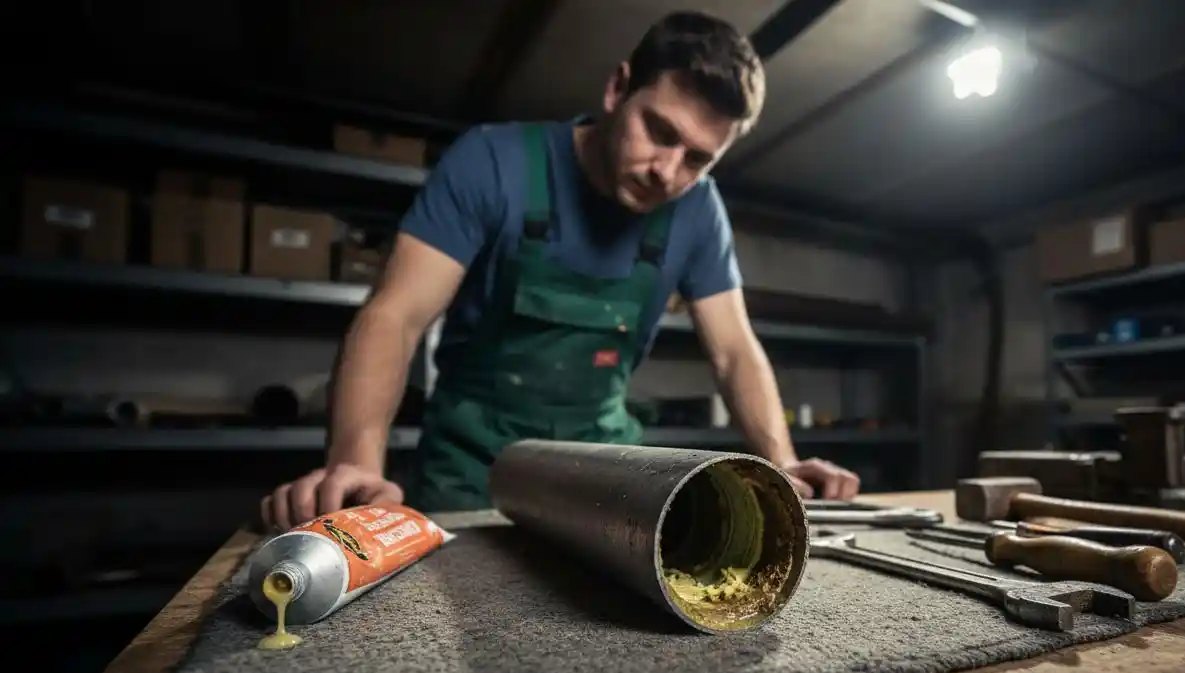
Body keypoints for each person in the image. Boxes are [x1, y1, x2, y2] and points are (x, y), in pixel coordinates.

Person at [261, 10, 861, 530]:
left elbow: (734, 349)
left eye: (698, 159)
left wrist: (782, 465)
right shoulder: (492, 162)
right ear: (616, 88)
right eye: (660, 131)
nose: (668, 172)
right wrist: (358, 464)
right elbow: (395, 315)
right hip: (472, 474)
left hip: (608, 476)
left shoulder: (698, 211)